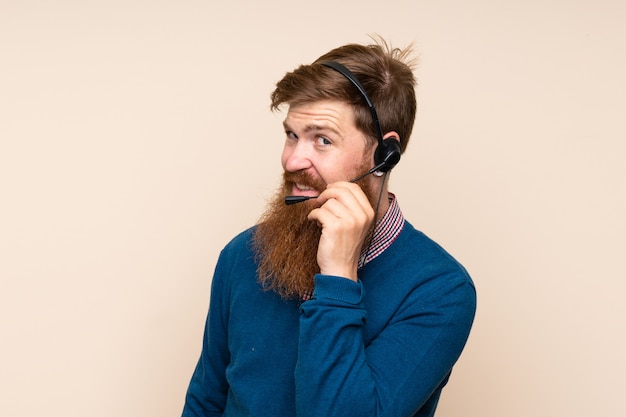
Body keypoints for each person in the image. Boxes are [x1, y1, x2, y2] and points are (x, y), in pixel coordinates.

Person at [182, 37, 476, 417]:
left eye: (322, 140)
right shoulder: (241, 255)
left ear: (384, 155)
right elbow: (205, 402)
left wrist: (338, 277)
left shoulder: (440, 291)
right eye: (292, 135)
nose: (292, 160)